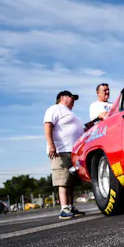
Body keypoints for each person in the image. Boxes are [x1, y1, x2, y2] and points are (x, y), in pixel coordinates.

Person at [44, 90, 86, 220]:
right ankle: (64, 209)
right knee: (63, 180)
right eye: (71, 97)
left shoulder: (71, 113)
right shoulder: (55, 109)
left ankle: (70, 207)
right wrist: (51, 145)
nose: (73, 101)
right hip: (61, 150)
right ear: (62, 97)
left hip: (73, 151)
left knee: (71, 181)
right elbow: (48, 125)